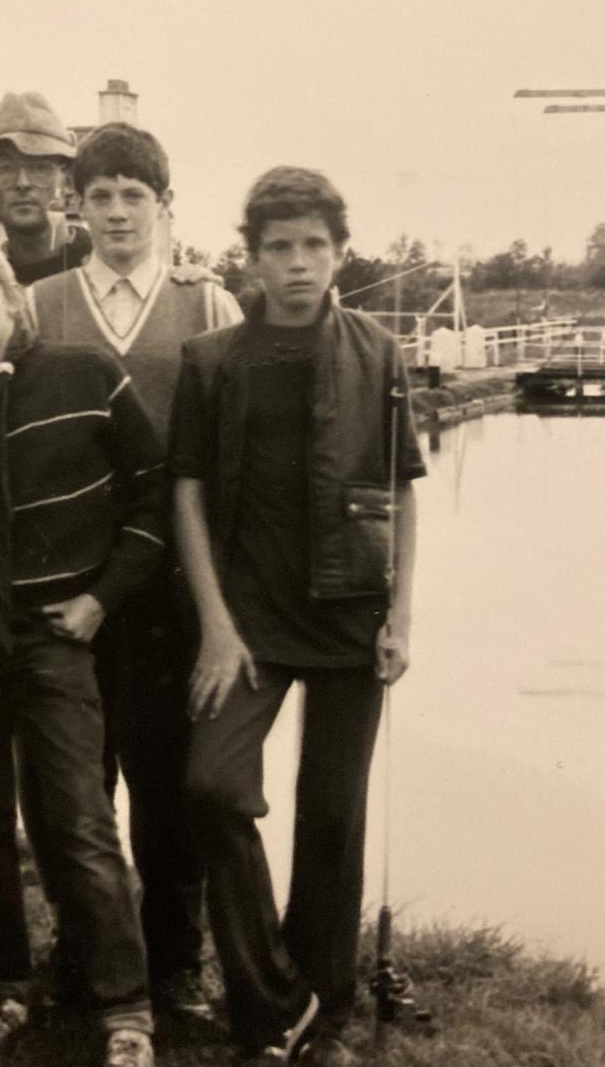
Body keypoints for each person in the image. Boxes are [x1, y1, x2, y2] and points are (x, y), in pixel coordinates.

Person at [170, 168, 424, 1061]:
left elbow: (401, 489)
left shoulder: (379, 354)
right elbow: (187, 493)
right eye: (278, 247)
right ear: (251, 259)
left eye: (315, 244)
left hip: (351, 618)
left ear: (342, 254)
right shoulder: (212, 362)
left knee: (332, 815)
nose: (298, 263)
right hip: (247, 622)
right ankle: (275, 994)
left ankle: (323, 1003)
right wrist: (215, 624)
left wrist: (400, 618)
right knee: (211, 786)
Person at [0, 234, 164, 1067]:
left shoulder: (87, 375)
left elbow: (153, 495)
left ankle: (125, 1008)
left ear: (14, 296)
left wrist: (100, 599)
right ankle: (0, 986)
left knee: (80, 819)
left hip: (56, 636)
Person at [26, 121, 242, 1020]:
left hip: (174, 582)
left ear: (164, 205)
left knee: (168, 780)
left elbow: (236, 442)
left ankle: (176, 962)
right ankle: (84, 954)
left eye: (134, 196)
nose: (117, 213)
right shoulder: (41, 305)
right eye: (100, 196)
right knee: (76, 781)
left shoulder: (208, 303)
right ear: (76, 205)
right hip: (72, 580)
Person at [0, 91, 90, 285]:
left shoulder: (106, 266)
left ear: (68, 182)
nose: (22, 183)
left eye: (39, 168)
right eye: (6, 169)